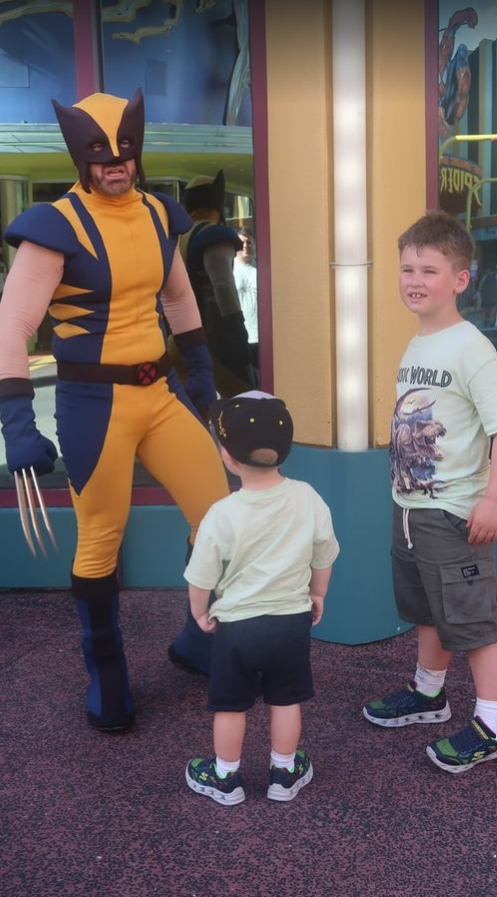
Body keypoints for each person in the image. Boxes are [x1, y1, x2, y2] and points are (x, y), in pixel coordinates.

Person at [0, 89, 230, 731]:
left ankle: (198, 639)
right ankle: (106, 672)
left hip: (160, 392)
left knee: (218, 518)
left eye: (124, 149)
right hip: (93, 402)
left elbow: (179, 300)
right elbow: (12, 326)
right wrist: (17, 423)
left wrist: (202, 375)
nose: (115, 163)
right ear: (80, 155)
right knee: (100, 537)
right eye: (100, 152)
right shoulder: (57, 226)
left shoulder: (158, 214)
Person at [363, 210, 497, 774]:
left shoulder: (473, 350)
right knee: (425, 607)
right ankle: (428, 692)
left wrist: (491, 500)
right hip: (411, 506)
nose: (414, 280)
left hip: (453, 511)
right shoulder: (420, 342)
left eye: (429, 270)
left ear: (461, 279)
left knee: (473, 622)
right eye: (407, 269)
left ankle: (491, 721)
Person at [183, 391, 339, 804]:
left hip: (237, 627)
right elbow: (324, 553)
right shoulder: (307, 497)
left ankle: (225, 777)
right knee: (286, 700)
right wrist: (318, 593)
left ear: (227, 457)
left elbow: (201, 576)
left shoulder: (222, 513)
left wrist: (199, 612)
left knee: (230, 705)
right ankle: (284, 773)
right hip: (290, 622)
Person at [172, 170, 255, 397]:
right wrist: (236, 329)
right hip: (213, 341)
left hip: (177, 340)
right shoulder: (213, 234)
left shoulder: (177, 238)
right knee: (242, 401)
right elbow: (223, 285)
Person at [233, 226, 259, 375]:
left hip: (260, 335)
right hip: (240, 336)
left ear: (254, 243)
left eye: (249, 242)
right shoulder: (230, 267)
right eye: (242, 242)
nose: (245, 246)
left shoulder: (262, 267)